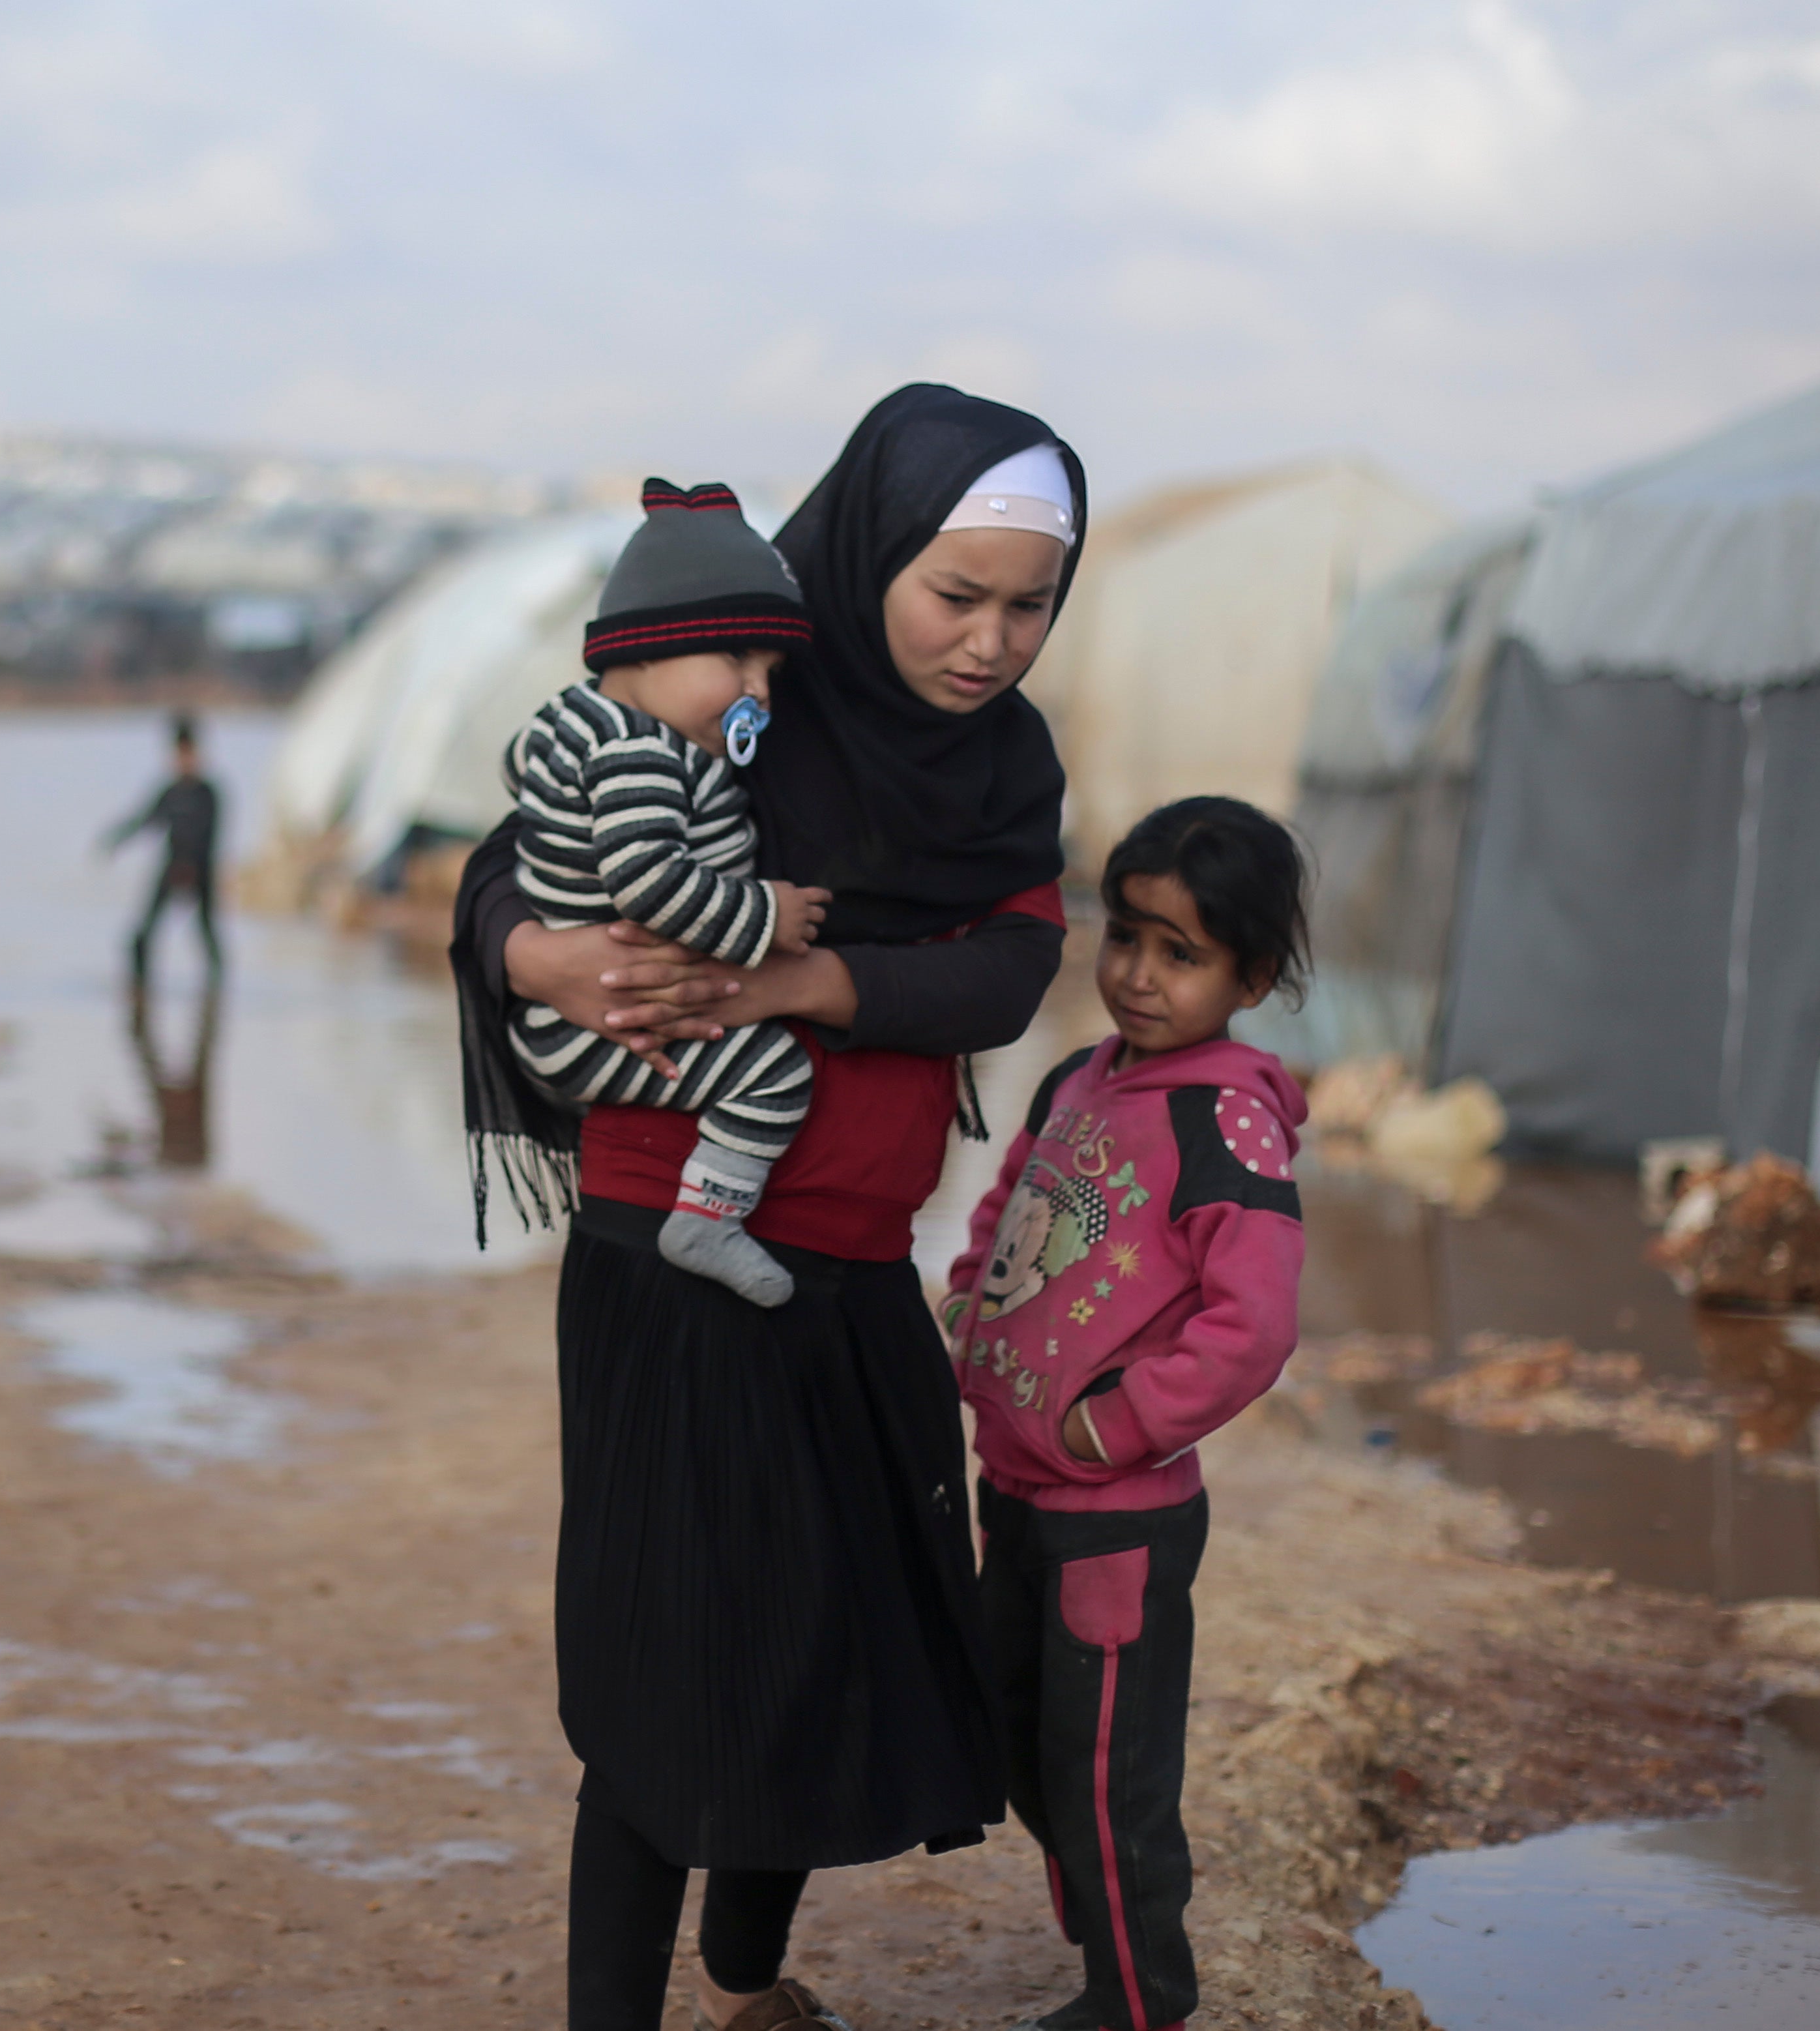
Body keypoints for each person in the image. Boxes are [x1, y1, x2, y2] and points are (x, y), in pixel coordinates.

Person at [452, 385, 1086, 2031]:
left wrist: (804, 973)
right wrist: (543, 957)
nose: (992, 641)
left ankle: (745, 1977)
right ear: (872, 554)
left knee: (824, 1635)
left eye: (1030, 605)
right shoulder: (743, 689)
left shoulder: (1002, 771)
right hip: (670, 1254)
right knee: (675, 1654)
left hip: (856, 1262)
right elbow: (512, 862)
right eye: (958, 596)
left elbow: (1012, 966)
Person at [943, 795, 1312, 2031]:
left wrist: (1115, 1427)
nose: (1139, 977)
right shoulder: (1074, 1077)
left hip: (1118, 1519)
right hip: (1018, 1488)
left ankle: (1138, 1999)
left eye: (1182, 954)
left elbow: (1249, 1327)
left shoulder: (1227, 1121)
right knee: (1015, 1741)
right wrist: (969, 1320)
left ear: (1250, 976)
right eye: (1125, 937)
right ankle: (1099, 1935)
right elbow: (1006, 1216)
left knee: (1109, 1777)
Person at [499, 479, 828, 1307]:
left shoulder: (573, 717)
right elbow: (647, 883)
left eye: (771, 668)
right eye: (735, 658)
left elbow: (516, 767)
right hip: (608, 1024)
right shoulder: (642, 753)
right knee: (776, 1074)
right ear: (643, 648)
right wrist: (766, 917)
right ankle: (707, 1218)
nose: (759, 689)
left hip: (567, 1017)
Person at [103, 712, 221, 982]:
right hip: (171, 866)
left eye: (188, 753)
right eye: (179, 754)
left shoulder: (209, 794)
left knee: (207, 935)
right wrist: (115, 840)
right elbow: (146, 820)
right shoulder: (171, 791)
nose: (184, 760)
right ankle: (139, 989)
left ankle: (215, 991)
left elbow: (210, 837)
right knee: (142, 935)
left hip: (200, 870)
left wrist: (192, 868)